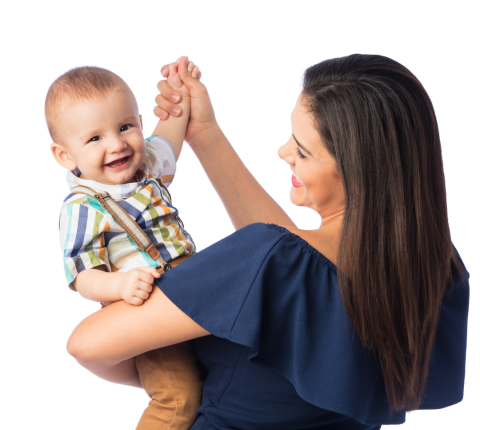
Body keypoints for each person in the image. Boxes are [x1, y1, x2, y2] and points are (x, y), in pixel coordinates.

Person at [66, 54, 469, 429]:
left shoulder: (271, 262)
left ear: (358, 171)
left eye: (303, 151)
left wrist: (178, 379)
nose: (283, 151)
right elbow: (295, 266)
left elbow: (87, 344)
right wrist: (204, 134)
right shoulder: (440, 274)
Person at [46, 57, 205, 430]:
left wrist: (180, 90)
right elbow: (82, 274)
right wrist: (119, 285)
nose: (117, 144)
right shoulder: (83, 206)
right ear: (65, 155)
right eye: (95, 138)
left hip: (190, 290)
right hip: (143, 311)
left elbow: (169, 136)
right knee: (177, 397)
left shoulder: (146, 164)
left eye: (125, 126)